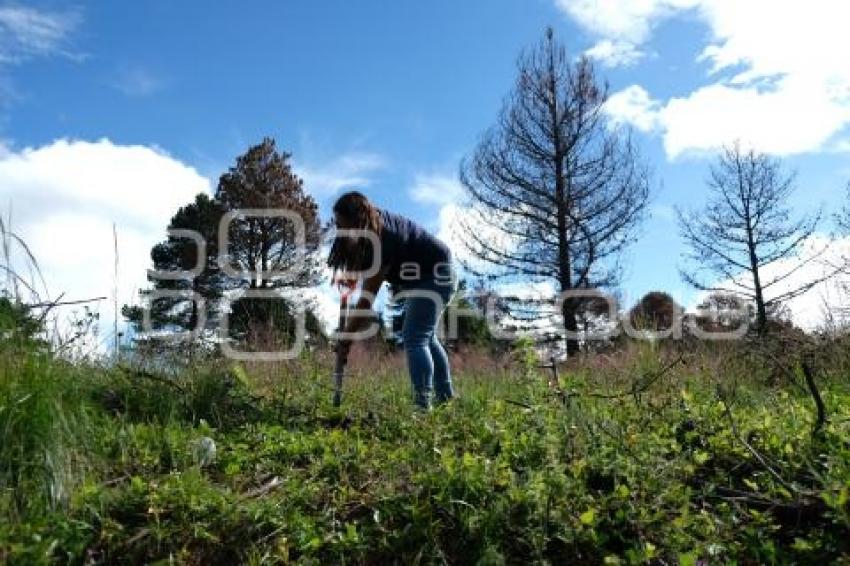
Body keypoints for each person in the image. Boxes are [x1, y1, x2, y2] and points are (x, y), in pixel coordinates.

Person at [327, 191, 456, 409]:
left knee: (414, 337)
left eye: (342, 224)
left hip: (436, 274)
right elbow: (357, 258)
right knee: (426, 337)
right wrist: (351, 277)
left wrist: (346, 338)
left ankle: (423, 408)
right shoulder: (368, 228)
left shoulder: (383, 237)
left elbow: (366, 301)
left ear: (357, 221)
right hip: (421, 278)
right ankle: (446, 399)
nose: (339, 230)